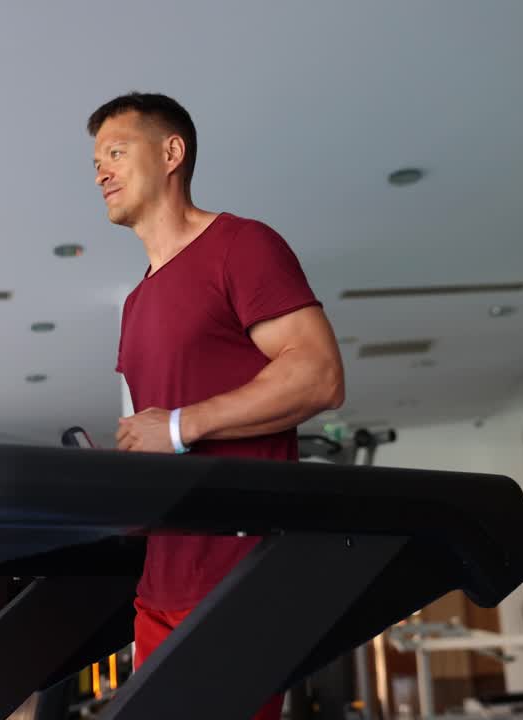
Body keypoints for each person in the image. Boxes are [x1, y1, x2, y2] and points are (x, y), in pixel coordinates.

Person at [90, 92, 345, 719]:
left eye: (116, 153)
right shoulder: (135, 302)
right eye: (96, 161)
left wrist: (179, 426)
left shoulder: (241, 245)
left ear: (171, 152)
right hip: (161, 584)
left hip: (238, 579)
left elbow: (318, 375)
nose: (100, 172)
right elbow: (146, 437)